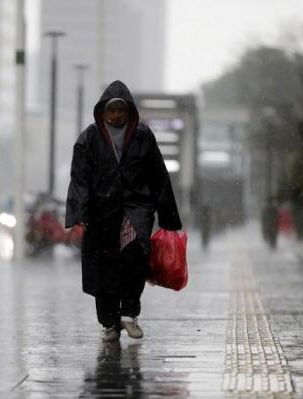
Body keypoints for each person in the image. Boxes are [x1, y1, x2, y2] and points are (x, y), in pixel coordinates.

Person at [65, 80, 182, 342]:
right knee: (103, 267)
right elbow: (79, 177)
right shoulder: (89, 138)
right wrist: (81, 211)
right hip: (101, 213)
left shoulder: (143, 136)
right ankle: (109, 322)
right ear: (103, 113)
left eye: (121, 110)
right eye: (112, 111)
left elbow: (158, 175)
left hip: (135, 210)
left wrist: (167, 215)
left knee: (133, 259)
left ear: (129, 111)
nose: (116, 116)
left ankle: (129, 314)